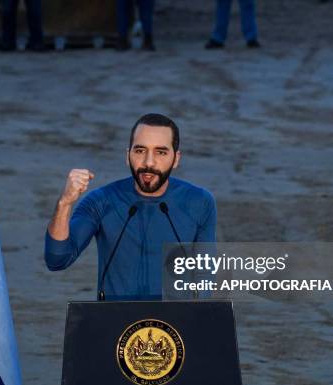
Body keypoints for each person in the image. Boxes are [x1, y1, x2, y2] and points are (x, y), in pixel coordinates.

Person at [44, 113, 217, 300]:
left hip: (176, 325)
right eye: (140, 151)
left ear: (176, 159)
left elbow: (205, 279)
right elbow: (57, 260)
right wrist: (65, 203)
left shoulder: (200, 201)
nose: (149, 162)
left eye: (161, 152)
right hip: (116, 325)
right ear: (128, 155)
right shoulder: (101, 201)